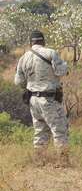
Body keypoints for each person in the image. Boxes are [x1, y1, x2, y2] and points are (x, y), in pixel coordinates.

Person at [14, 30, 69, 166]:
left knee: (39, 131)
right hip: (49, 99)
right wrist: (66, 65)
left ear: (31, 43)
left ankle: (39, 161)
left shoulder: (23, 58)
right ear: (43, 41)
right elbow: (61, 71)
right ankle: (63, 162)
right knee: (59, 129)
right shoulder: (50, 53)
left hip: (33, 100)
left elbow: (19, 82)